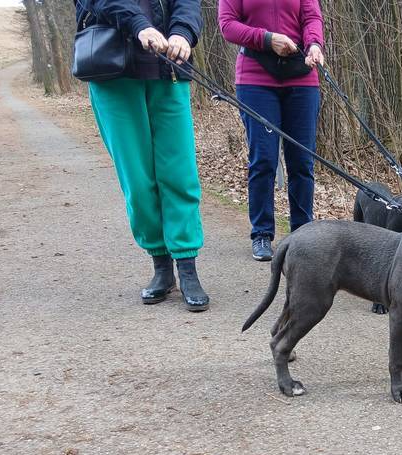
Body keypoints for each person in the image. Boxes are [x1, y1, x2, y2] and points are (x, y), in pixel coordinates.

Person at [81, 0, 210, 310]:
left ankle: (187, 267)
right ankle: (161, 267)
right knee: (137, 180)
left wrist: (182, 32)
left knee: (180, 174)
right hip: (112, 70)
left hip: (169, 70)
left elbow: (188, 3)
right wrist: (140, 25)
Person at [218, 0, 325, 261]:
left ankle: (302, 234)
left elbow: (312, 18)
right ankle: (262, 233)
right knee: (264, 159)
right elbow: (227, 25)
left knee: (302, 161)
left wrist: (313, 44)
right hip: (256, 78)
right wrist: (267, 39)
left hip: (302, 77)